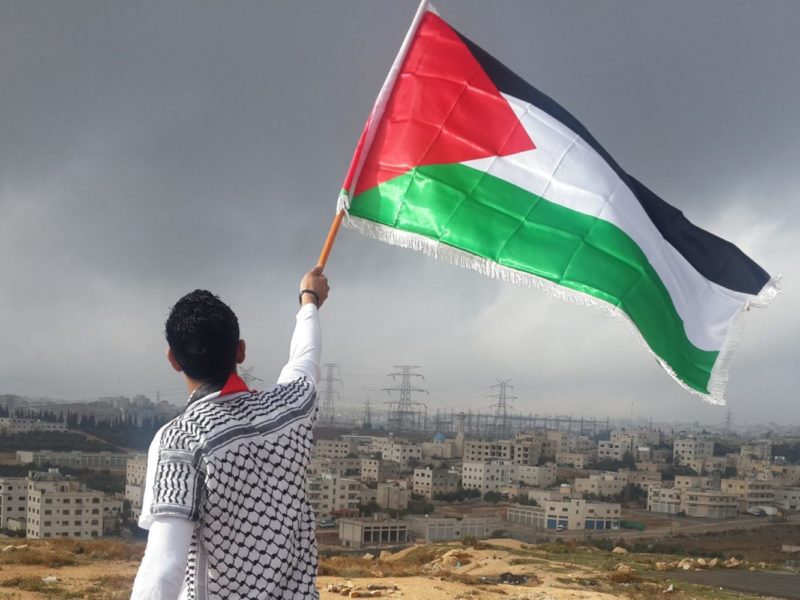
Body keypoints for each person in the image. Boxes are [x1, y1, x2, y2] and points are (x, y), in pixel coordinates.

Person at [131, 267, 329, 600]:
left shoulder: (183, 439)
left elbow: (163, 570)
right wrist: (309, 300)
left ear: (173, 360)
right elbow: (305, 360)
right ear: (240, 350)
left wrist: (309, 302)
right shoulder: (291, 410)